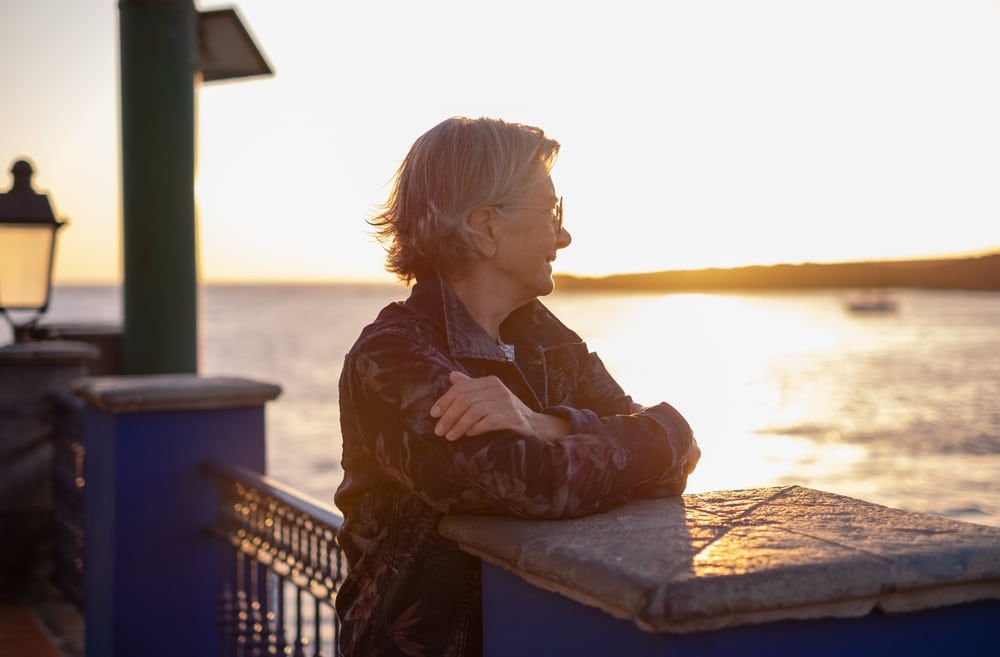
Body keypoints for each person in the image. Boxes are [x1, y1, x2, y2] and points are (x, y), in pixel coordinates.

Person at [334, 116, 700, 657]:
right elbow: (531, 483)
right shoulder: (391, 358)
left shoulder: (544, 337)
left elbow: (675, 444)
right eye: (551, 211)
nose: (565, 234)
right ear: (484, 227)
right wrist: (624, 439)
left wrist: (545, 423)